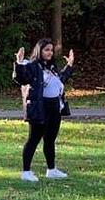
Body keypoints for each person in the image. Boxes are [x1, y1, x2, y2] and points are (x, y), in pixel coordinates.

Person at [13, 38, 75, 181]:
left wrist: (70, 66)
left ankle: (51, 169)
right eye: (46, 50)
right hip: (40, 108)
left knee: (50, 140)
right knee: (33, 139)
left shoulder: (51, 67)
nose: (50, 53)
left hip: (55, 108)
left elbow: (60, 80)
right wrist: (19, 63)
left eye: (51, 50)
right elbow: (21, 78)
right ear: (39, 50)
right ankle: (26, 172)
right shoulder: (32, 66)